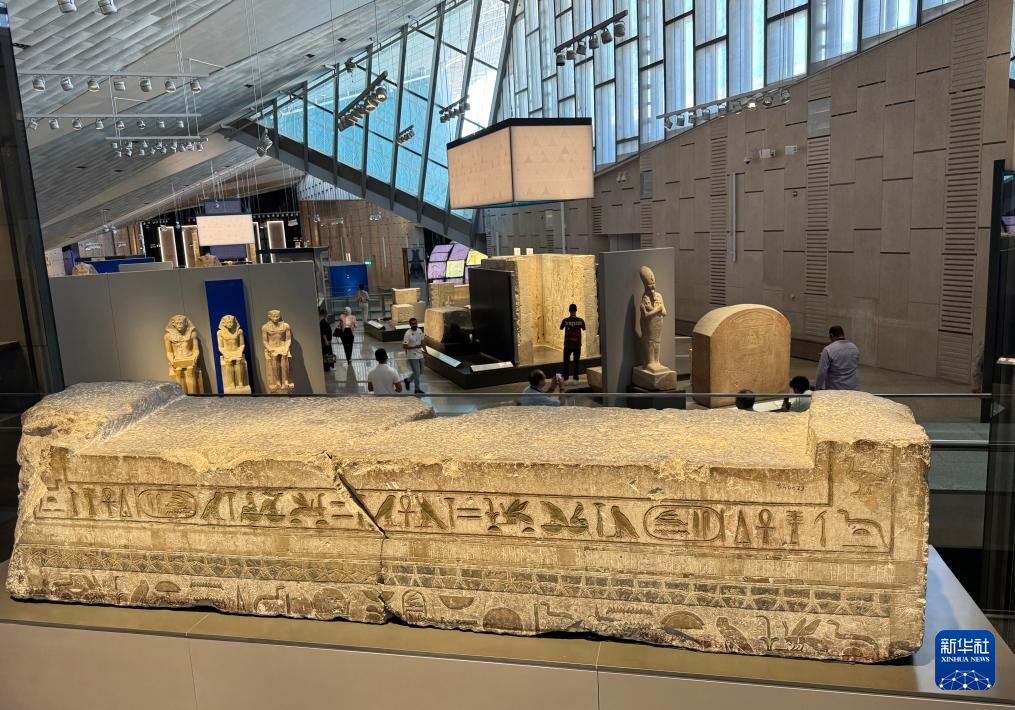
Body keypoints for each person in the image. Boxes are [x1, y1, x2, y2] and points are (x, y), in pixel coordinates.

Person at [815, 325, 860, 390]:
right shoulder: (855, 348)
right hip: (853, 389)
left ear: (831, 335)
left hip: (835, 390)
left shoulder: (828, 350)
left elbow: (821, 373)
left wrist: (817, 388)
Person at [560, 303, 586, 382]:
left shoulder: (565, 320)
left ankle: (566, 379)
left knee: (566, 363)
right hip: (577, 345)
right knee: (576, 363)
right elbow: (584, 328)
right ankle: (575, 379)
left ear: (569, 310)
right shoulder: (581, 320)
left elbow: (561, 328)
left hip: (567, 345)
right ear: (576, 310)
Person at [402, 317, 425, 394]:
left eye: (415, 323)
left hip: (420, 353)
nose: (414, 325)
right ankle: (417, 389)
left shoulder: (419, 330)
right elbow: (405, 346)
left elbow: (422, 341)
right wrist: (414, 347)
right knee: (417, 372)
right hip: (412, 355)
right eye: (413, 324)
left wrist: (426, 351)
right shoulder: (407, 334)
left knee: (421, 371)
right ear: (410, 325)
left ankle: (408, 380)